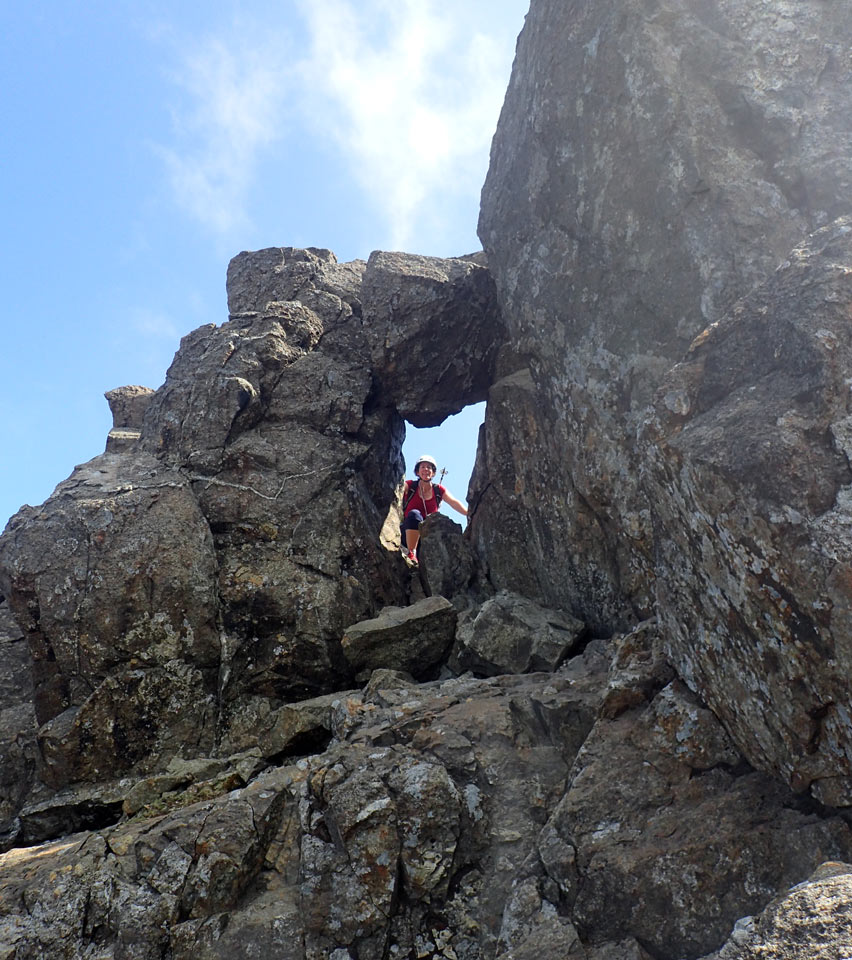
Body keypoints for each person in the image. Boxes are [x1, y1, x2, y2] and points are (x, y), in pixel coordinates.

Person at [400, 453, 468, 564]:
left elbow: (453, 502)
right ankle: (410, 552)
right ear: (417, 472)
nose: (426, 470)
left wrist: (469, 513)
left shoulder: (438, 490)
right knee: (415, 514)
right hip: (407, 533)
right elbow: (398, 488)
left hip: (427, 537)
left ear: (433, 473)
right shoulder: (411, 486)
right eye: (422, 467)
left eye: (429, 467)